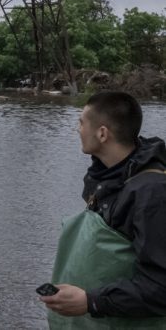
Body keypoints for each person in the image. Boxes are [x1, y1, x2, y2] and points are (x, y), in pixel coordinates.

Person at [41, 91, 166, 329]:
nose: (77, 130)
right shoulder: (105, 177)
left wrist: (92, 302)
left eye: (81, 122)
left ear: (102, 133)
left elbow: (161, 287)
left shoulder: (153, 194)